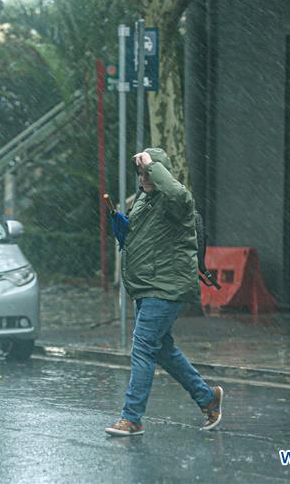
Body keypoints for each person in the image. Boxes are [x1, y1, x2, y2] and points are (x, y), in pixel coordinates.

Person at [105, 148, 223, 437]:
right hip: (145, 285)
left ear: (162, 172)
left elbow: (180, 195)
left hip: (165, 286)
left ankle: (131, 418)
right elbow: (143, 237)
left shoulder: (176, 201)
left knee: (143, 346)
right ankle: (208, 398)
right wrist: (123, 228)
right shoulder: (145, 199)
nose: (144, 177)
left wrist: (153, 165)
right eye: (141, 173)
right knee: (163, 350)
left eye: (150, 172)